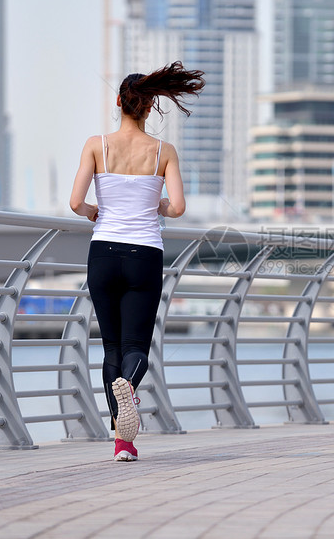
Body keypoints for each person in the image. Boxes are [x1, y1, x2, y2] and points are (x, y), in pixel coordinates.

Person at [69, 61, 204, 461]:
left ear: (119, 103)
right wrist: (159, 203)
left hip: (104, 253)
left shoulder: (97, 145)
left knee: (110, 345)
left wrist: (95, 213)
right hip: (145, 254)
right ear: (149, 108)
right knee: (135, 345)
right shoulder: (164, 151)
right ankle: (128, 397)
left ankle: (122, 443)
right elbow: (177, 207)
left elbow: (76, 202)